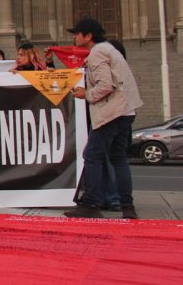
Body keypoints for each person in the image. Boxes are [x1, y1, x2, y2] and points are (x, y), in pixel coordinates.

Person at [63, 18, 143, 220]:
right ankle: (127, 206)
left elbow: (105, 85)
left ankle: (91, 203)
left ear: (88, 36)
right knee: (118, 158)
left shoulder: (97, 52)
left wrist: (86, 93)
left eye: (77, 33)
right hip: (126, 111)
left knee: (92, 156)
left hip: (110, 113)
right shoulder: (111, 50)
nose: (74, 37)